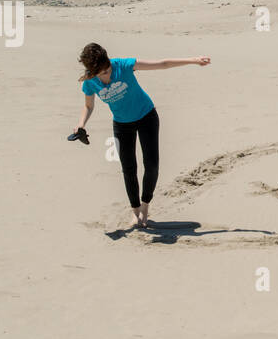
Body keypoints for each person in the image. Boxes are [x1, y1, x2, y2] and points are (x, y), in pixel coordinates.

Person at [72, 42, 211, 228]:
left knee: (152, 165)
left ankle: (145, 206)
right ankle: (135, 212)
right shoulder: (89, 82)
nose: (107, 75)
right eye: (102, 73)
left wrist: (193, 60)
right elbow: (89, 106)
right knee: (128, 169)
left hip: (147, 117)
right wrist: (80, 125)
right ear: (92, 71)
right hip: (122, 124)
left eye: (108, 70)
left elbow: (162, 64)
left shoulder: (123, 65)